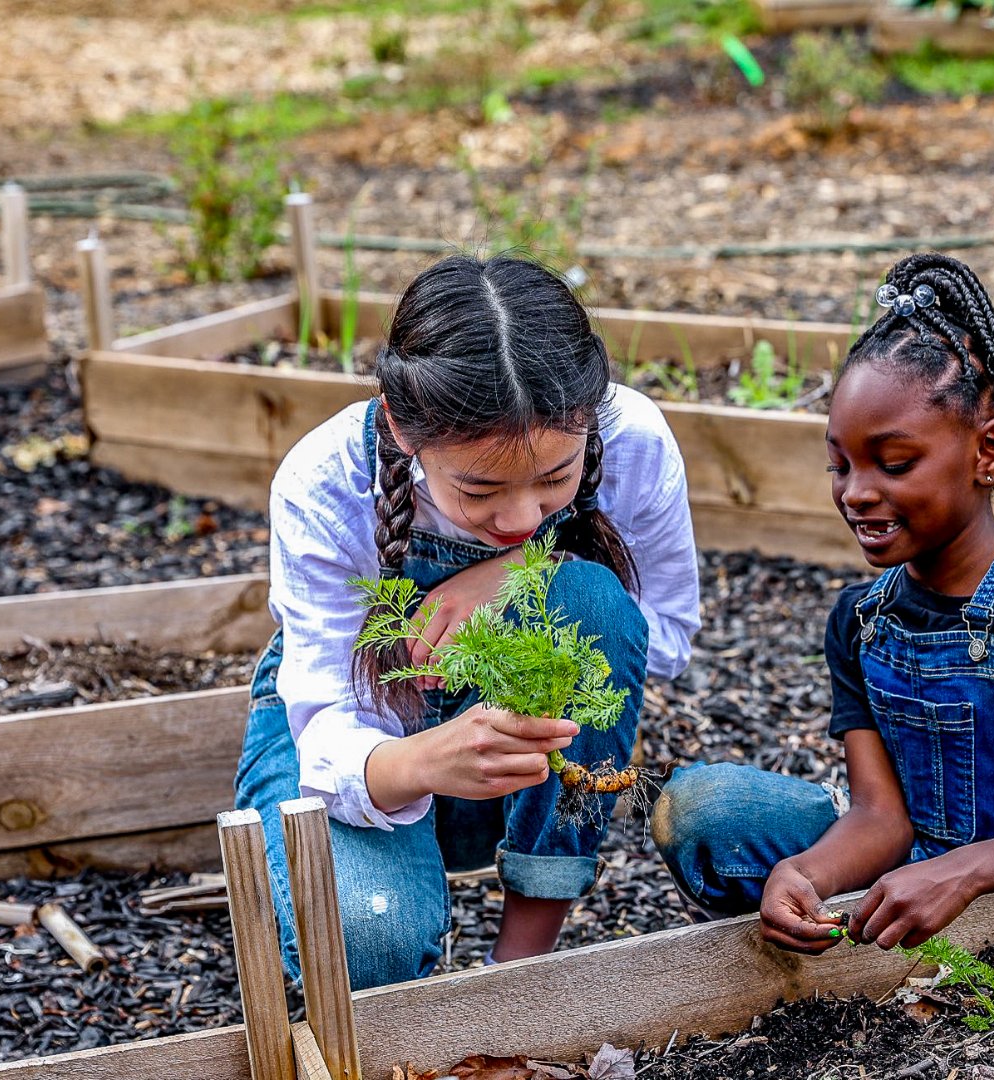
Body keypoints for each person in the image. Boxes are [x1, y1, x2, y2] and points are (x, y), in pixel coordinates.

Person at [652, 253, 994, 953]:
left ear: (988, 452)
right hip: (912, 874)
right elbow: (880, 817)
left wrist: (963, 873)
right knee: (706, 807)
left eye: (893, 464)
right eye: (839, 464)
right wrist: (803, 874)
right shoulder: (860, 620)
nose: (856, 491)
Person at [236, 252, 701, 989]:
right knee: (367, 942)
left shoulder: (634, 436)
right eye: (478, 488)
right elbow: (324, 724)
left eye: (554, 479)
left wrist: (525, 572)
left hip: (517, 770)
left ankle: (517, 970)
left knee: (590, 602)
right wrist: (422, 760)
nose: (518, 518)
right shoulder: (326, 479)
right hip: (358, 746)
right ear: (402, 426)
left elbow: (661, 635)